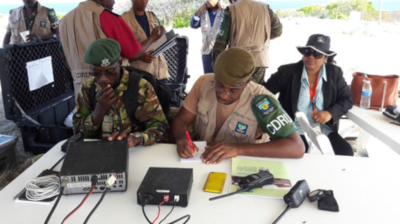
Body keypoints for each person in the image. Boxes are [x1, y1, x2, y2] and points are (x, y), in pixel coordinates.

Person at [172, 48, 304, 164]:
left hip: (243, 164)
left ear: (248, 82)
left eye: (233, 90)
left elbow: (296, 147)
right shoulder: (204, 83)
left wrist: (238, 149)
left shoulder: (263, 101)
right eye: (219, 86)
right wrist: (181, 138)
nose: (224, 95)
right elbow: (182, 119)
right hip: (203, 160)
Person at [263, 34, 354, 156]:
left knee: (345, 152)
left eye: (317, 54)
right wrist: (273, 119)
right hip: (292, 129)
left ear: (325, 58)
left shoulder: (334, 73)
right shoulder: (287, 72)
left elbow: (347, 99)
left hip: (322, 129)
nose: (311, 57)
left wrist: (330, 112)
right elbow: (264, 94)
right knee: (302, 154)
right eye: (307, 52)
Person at [73, 38, 169, 147]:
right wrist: (99, 110)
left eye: (110, 72)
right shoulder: (87, 88)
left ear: (119, 64)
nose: (103, 79)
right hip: (99, 152)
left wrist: (136, 139)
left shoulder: (140, 87)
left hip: (135, 152)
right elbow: (78, 133)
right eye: (96, 73)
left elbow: (161, 129)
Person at [59, 0, 163, 98]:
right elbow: (133, 52)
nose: (114, 1)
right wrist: (153, 37)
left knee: (88, 116)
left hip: (80, 88)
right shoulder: (107, 17)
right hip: (112, 88)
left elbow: (63, 56)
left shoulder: (64, 21)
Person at [211, 0, 282, 84]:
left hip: (238, 60)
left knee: (237, 92)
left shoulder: (231, 9)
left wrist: (216, 68)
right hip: (260, 59)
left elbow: (220, 43)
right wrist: (260, 39)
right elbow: (277, 31)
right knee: (254, 91)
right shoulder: (265, 8)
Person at [121, 0, 170, 82]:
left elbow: (161, 38)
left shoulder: (152, 16)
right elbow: (124, 52)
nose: (144, 2)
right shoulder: (124, 20)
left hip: (160, 72)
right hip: (141, 75)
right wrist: (140, 56)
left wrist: (163, 34)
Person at [189, 0, 224, 74]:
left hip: (222, 52)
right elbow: (193, 25)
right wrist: (200, 10)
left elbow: (232, 21)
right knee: (208, 77)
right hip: (206, 51)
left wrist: (223, 8)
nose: (207, 1)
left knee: (222, 77)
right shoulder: (203, 12)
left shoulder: (225, 10)